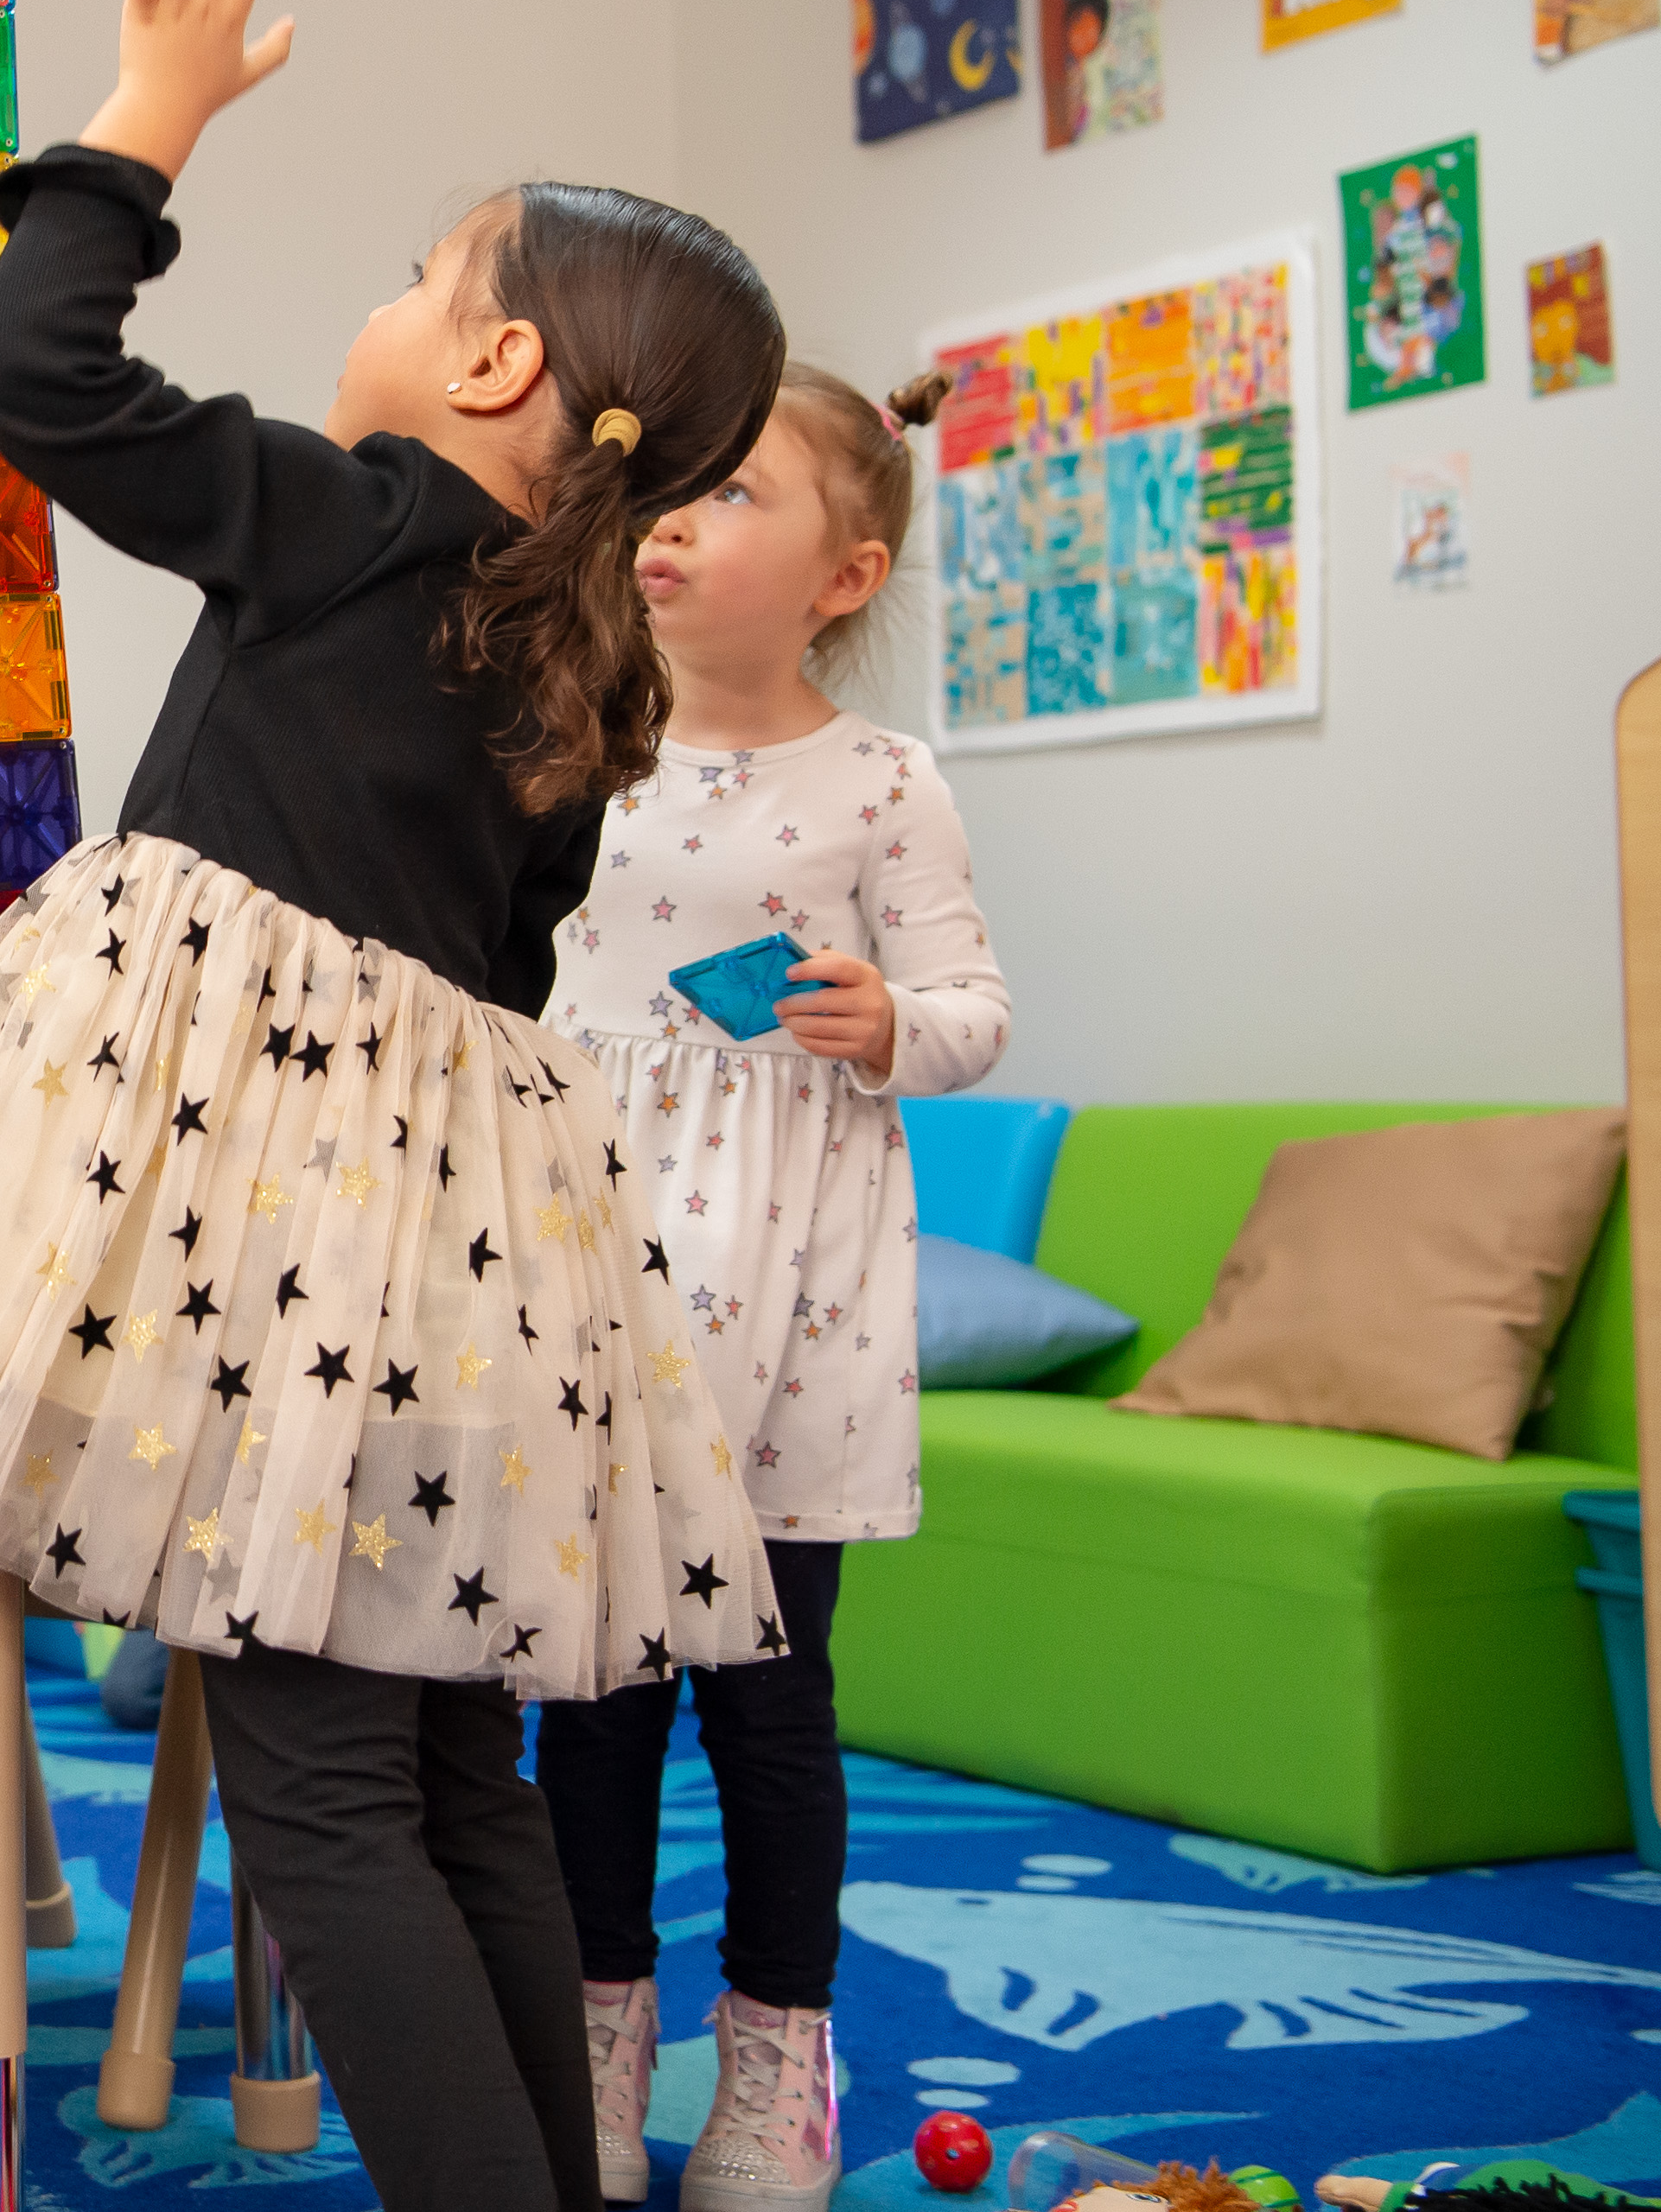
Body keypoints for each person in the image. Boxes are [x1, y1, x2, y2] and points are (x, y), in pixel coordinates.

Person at [0, 0, 790, 2212]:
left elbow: (30, 381)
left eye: (432, 284)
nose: (398, 310)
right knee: (447, 1789)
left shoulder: (364, 523)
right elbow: (491, 994)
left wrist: (149, 113)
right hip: (462, 1288)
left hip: (295, 1286)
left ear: (498, 369)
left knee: (325, 1811)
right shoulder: (578, 674)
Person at [534, 366, 1011, 2212]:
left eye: (736, 496)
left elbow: (977, 1008)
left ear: (845, 570)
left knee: (772, 1707)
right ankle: (590, 2033)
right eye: (667, 489)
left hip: (793, 1311)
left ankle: (778, 2056)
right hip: (599, 1286)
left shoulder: (884, 781)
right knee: (588, 1705)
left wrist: (894, 1021)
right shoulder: (579, 742)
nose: (670, 521)